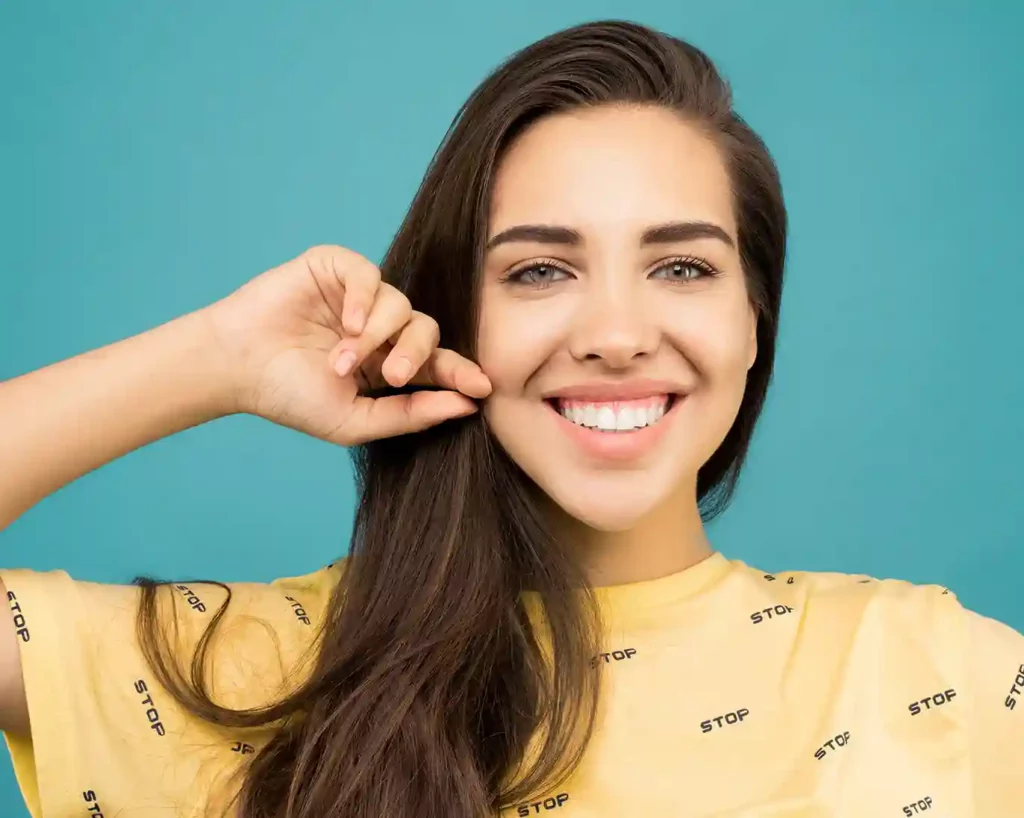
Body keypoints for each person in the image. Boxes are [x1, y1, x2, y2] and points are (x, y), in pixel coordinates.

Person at [0, 18, 1020, 818]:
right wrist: (216, 359)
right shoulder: (256, 670)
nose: (616, 333)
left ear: (754, 321)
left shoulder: (941, 669)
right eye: (539, 270)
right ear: (453, 319)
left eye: (681, 266)